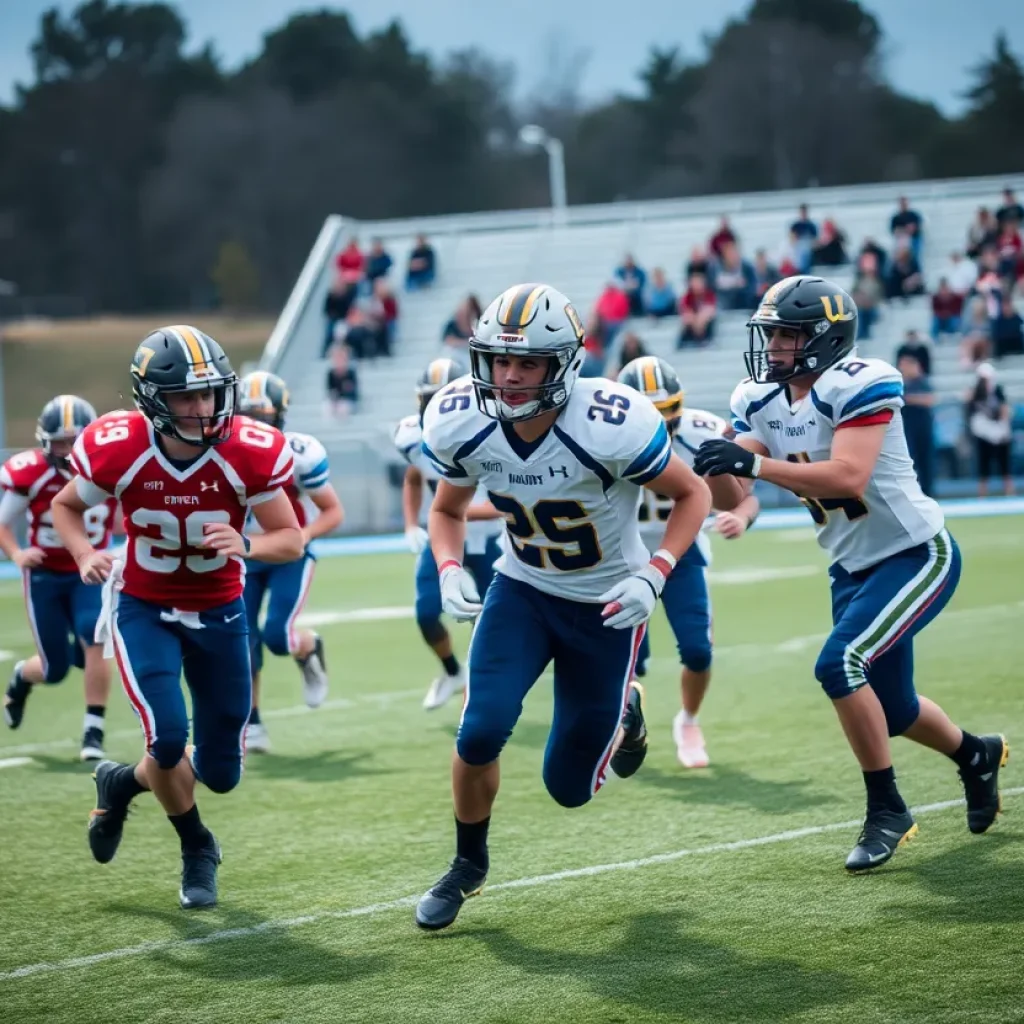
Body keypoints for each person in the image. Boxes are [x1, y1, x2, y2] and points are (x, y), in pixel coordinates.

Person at [414, 283, 711, 930]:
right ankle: (467, 866)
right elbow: (446, 509)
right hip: (522, 590)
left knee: (568, 789)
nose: (511, 376)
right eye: (500, 360)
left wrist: (656, 573)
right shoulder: (464, 417)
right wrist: (446, 567)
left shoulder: (610, 422)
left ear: (565, 364)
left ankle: (627, 712)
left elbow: (692, 495)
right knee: (481, 729)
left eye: (528, 363)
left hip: (607, 604)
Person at [692, 276, 1008, 873]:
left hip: (916, 553)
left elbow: (847, 478)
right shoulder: (761, 397)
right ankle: (975, 755)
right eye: (773, 333)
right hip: (853, 565)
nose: (775, 345)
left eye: (788, 333)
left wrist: (754, 462)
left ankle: (887, 809)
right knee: (893, 707)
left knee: (838, 664)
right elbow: (733, 497)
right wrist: (709, 461)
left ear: (825, 338)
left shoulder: (859, 383)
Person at [51, 325, 304, 909]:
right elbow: (67, 506)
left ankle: (121, 782)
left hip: (219, 608)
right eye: (185, 398)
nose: (201, 408)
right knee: (167, 739)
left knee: (221, 772)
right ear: (151, 401)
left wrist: (247, 546)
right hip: (145, 607)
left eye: (209, 393)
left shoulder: (247, 449)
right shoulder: (119, 447)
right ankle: (197, 847)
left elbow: (289, 538)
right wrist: (86, 553)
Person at [617, 357, 759, 768]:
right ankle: (626, 724)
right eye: (648, 415)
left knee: (698, 650)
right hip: (623, 556)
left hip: (682, 552)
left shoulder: (702, 432)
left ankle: (689, 720)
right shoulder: (600, 436)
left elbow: (745, 496)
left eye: (666, 414)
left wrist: (740, 516)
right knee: (626, 660)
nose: (659, 426)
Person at [0, 395, 115, 760]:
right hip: (46, 576)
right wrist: (18, 553)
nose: (67, 451)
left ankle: (93, 731)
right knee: (55, 668)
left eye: (74, 441)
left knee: (95, 637)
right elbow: (3, 524)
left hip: (90, 572)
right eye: (60, 442)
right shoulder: (31, 473)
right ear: (45, 442)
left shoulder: (112, 467)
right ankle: (22, 678)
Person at [237, 371, 344, 753]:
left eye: (262, 417)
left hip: (286, 555)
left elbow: (332, 511)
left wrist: (304, 535)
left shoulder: (298, 452)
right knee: (241, 642)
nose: (254, 425)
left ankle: (308, 646)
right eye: (247, 416)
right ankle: (253, 722)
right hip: (244, 556)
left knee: (277, 638)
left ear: (280, 417)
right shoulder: (218, 450)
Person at [393, 358, 503, 711]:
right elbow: (413, 477)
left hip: (490, 541)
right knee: (427, 613)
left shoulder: (495, 432)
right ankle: (452, 672)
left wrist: (450, 510)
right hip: (444, 535)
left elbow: (510, 503)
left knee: (487, 624)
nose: (439, 407)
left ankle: (476, 697)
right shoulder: (413, 436)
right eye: (431, 399)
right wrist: (411, 522)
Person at [966, 362, 1013, 498]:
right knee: (983, 466)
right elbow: (971, 413)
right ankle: (982, 495)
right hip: (983, 432)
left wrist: (1002, 427)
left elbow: (1004, 409)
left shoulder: (998, 390)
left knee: (1005, 465)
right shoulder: (975, 392)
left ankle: (1009, 493)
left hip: (999, 430)